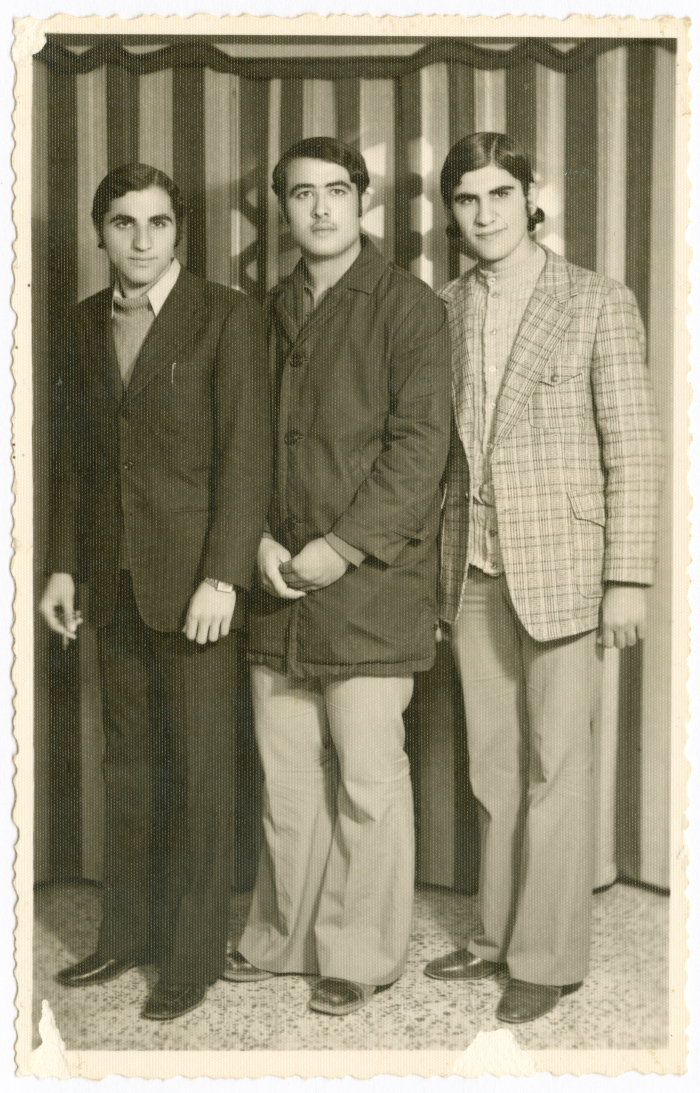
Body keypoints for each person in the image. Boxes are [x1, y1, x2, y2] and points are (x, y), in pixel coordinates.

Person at [425, 133, 662, 1024]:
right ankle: (494, 933)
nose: (483, 215)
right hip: (474, 567)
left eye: (498, 194)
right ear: (451, 211)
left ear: (533, 196)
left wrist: (627, 580)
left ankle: (549, 957)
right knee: (493, 768)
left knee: (556, 767)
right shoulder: (442, 307)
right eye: (466, 200)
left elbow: (633, 448)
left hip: (569, 564)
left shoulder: (597, 299)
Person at [223, 137, 451, 1016]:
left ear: (363, 200)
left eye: (336, 191)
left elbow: (420, 451)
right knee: (285, 775)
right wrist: (258, 547)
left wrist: (340, 546)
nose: (319, 208)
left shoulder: (408, 307)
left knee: (365, 774)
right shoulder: (266, 310)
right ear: (280, 209)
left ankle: (358, 953)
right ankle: (282, 935)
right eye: (301, 194)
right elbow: (241, 443)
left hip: (369, 585)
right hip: (278, 585)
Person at [40, 163, 272, 1021]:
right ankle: (126, 933)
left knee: (201, 773)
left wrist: (224, 574)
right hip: (112, 582)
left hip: (197, 589)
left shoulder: (227, 315)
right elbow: (74, 457)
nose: (142, 240)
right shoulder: (77, 323)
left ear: (182, 233)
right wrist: (65, 563)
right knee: (127, 763)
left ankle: (191, 956)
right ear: (99, 231)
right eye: (124, 223)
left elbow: (248, 457)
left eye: (159, 223)